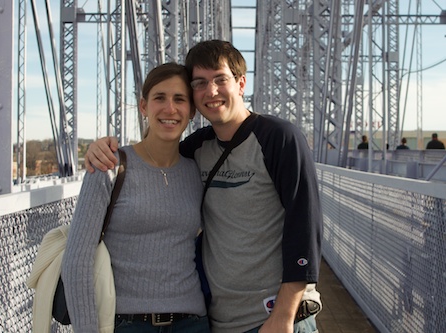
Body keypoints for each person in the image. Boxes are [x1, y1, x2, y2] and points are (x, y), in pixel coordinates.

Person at [85, 40, 323, 333]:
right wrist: (101, 149)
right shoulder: (197, 149)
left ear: (240, 84)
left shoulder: (279, 138)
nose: (211, 91)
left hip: (276, 320)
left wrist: (284, 316)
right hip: (220, 322)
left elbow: (305, 227)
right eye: (199, 83)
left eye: (220, 79)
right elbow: (153, 157)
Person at [61, 63, 210, 333]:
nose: (170, 109)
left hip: (192, 323)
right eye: (159, 98)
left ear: (191, 111)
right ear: (144, 106)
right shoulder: (109, 166)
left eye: (180, 99)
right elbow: (76, 260)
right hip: (127, 323)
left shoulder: (196, 171)